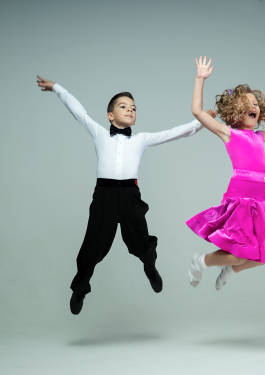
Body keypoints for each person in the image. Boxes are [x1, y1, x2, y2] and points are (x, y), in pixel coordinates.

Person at [36, 74, 208, 314]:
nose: (130, 110)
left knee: (139, 240)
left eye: (134, 108)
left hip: (129, 195)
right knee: (93, 246)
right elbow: (78, 111)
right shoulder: (98, 133)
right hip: (104, 196)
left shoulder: (141, 139)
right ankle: (80, 288)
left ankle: (150, 266)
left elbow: (175, 132)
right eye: (123, 106)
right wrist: (57, 87)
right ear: (110, 115)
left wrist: (202, 121)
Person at [186, 56, 265, 290]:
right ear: (235, 110)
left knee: (261, 255)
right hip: (240, 196)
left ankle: (229, 269)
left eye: (256, 104)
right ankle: (202, 261)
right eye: (247, 103)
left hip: (259, 200)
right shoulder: (230, 133)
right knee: (241, 251)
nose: (254, 107)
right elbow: (197, 111)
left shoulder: (259, 137)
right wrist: (200, 79)